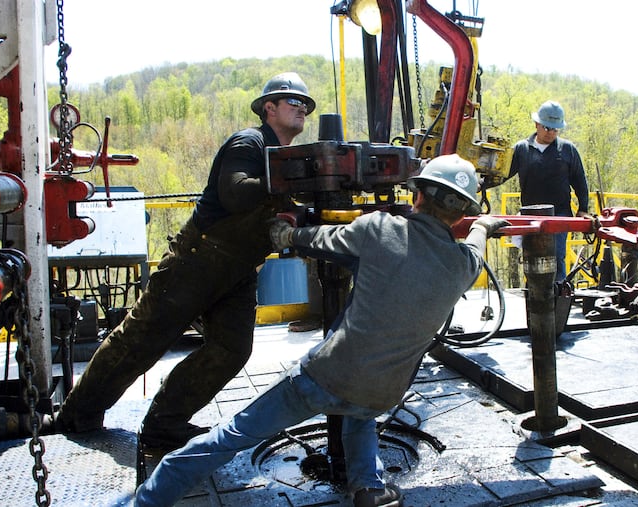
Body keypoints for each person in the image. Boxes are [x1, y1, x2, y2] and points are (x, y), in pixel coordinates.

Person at [133, 154, 510, 507]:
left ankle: (148, 499)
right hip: (384, 392)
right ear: (461, 212)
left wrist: (285, 234)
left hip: (325, 377)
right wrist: (483, 226)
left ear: (418, 195)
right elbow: (475, 247)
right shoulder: (464, 266)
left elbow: (319, 240)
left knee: (235, 434)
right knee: (360, 410)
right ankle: (368, 488)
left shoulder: (379, 228)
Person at [56, 72, 317, 449]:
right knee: (141, 341)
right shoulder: (250, 142)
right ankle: (76, 418)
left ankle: (165, 422)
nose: (302, 109)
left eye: (305, 105)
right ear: (268, 108)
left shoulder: (282, 158)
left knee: (231, 349)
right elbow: (235, 194)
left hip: (237, 270)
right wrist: (292, 181)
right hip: (195, 261)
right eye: (293, 102)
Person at [506, 100, 589, 281]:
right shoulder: (522, 149)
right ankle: (535, 296)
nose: (551, 132)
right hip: (530, 215)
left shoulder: (567, 150)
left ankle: (558, 295)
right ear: (537, 124)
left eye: (555, 129)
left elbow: (580, 180)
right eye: (547, 128)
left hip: (559, 215)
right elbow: (504, 173)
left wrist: (583, 208)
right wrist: (481, 184)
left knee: (557, 257)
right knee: (532, 258)